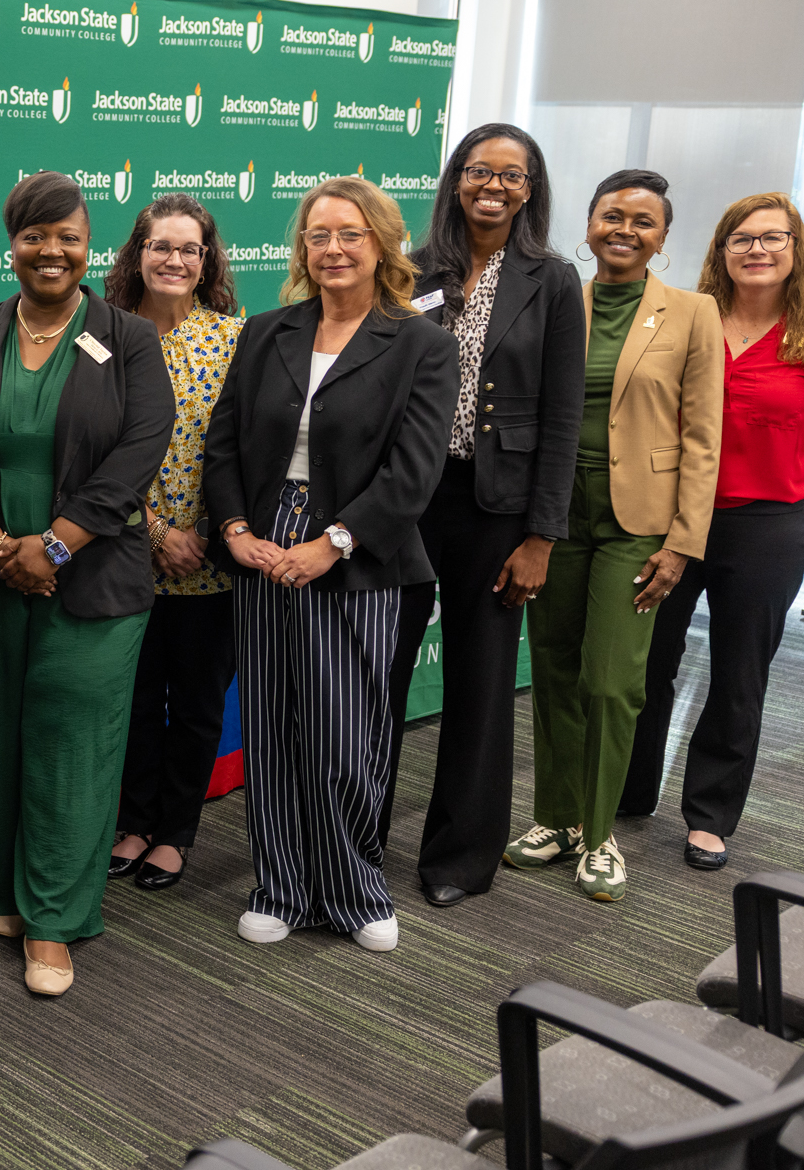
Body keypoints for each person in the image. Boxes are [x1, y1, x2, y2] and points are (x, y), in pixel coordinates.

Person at [205, 176, 455, 954]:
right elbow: (223, 444)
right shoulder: (268, 330)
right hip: (264, 540)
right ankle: (280, 884)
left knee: (348, 732)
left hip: (357, 549)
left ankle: (353, 889)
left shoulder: (420, 342)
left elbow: (413, 474)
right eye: (318, 235)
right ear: (302, 248)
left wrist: (335, 542)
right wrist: (236, 528)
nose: (333, 249)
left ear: (381, 243)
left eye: (349, 233)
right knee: (274, 728)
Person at [0, 172, 172, 996]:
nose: (52, 251)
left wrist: (55, 546)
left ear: (89, 244)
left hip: (93, 574)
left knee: (72, 743)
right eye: (36, 236)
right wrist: (2, 544)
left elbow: (138, 452)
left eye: (69, 236)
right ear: (12, 243)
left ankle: (53, 920)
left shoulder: (129, 338)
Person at [621, 193, 804, 870]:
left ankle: (709, 816)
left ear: (795, 250)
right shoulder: (686, 325)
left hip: (765, 528)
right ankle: (631, 791)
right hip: (668, 519)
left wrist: (797, 499)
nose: (756, 250)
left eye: (771, 239)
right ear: (720, 251)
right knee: (647, 662)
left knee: (738, 675)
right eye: (741, 239)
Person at [383, 125, 585, 909]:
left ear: (531, 187)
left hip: (496, 507)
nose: (492, 185)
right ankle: (355, 836)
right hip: (403, 498)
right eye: (478, 171)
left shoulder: (553, 280)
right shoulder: (413, 269)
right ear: (456, 180)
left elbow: (564, 418)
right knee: (379, 671)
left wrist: (540, 537)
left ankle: (460, 859)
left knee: (481, 681)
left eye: (511, 173)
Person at [507, 169, 723, 904]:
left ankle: (601, 836)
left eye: (643, 221)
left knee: (612, 681)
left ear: (662, 238)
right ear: (589, 224)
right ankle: (557, 819)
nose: (624, 230)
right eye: (611, 216)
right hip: (556, 515)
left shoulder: (693, 313)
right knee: (554, 670)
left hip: (640, 524)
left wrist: (684, 541)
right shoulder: (559, 298)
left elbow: (703, 437)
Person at [101, 194, 244, 893]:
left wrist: (205, 536)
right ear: (138, 254)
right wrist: (155, 532)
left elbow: (248, 451)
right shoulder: (100, 336)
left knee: (194, 705)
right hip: (122, 555)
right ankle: (133, 820)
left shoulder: (236, 339)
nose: (175, 259)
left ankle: (176, 831)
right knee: (131, 699)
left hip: (209, 562)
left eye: (190, 249)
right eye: (162, 246)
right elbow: (89, 451)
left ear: (208, 260)